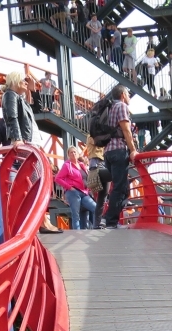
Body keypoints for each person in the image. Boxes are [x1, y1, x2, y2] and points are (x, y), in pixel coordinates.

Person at [101, 84, 139, 229]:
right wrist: (133, 150)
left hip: (108, 151)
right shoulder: (121, 107)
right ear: (123, 94)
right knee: (119, 187)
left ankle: (109, 218)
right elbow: (126, 130)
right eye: (128, 93)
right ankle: (109, 221)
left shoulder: (109, 108)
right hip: (118, 150)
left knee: (123, 188)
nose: (129, 96)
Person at [55, 146, 98, 229]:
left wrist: (89, 189)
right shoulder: (67, 165)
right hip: (73, 192)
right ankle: (77, 235)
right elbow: (57, 178)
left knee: (95, 208)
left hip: (84, 192)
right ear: (68, 155)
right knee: (76, 216)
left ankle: (96, 229)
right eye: (71, 152)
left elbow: (85, 178)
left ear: (78, 154)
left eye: (75, 152)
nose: (73, 153)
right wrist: (69, 187)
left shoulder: (82, 165)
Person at [84, 136, 110, 229]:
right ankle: (105, 218)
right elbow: (99, 142)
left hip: (103, 164)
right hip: (97, 165)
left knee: (102, 198)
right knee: (116, 175)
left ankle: (97, 224)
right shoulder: (91, 135)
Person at [3, 71, 35, 144]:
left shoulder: (21, 99)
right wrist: (17, 138)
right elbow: (12, 117)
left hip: (28, 140)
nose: (26, 83)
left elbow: (38, 109)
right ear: (15, 80)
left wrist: (33, 90)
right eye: (24, 80)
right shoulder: (10, 94)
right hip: (23, 140)